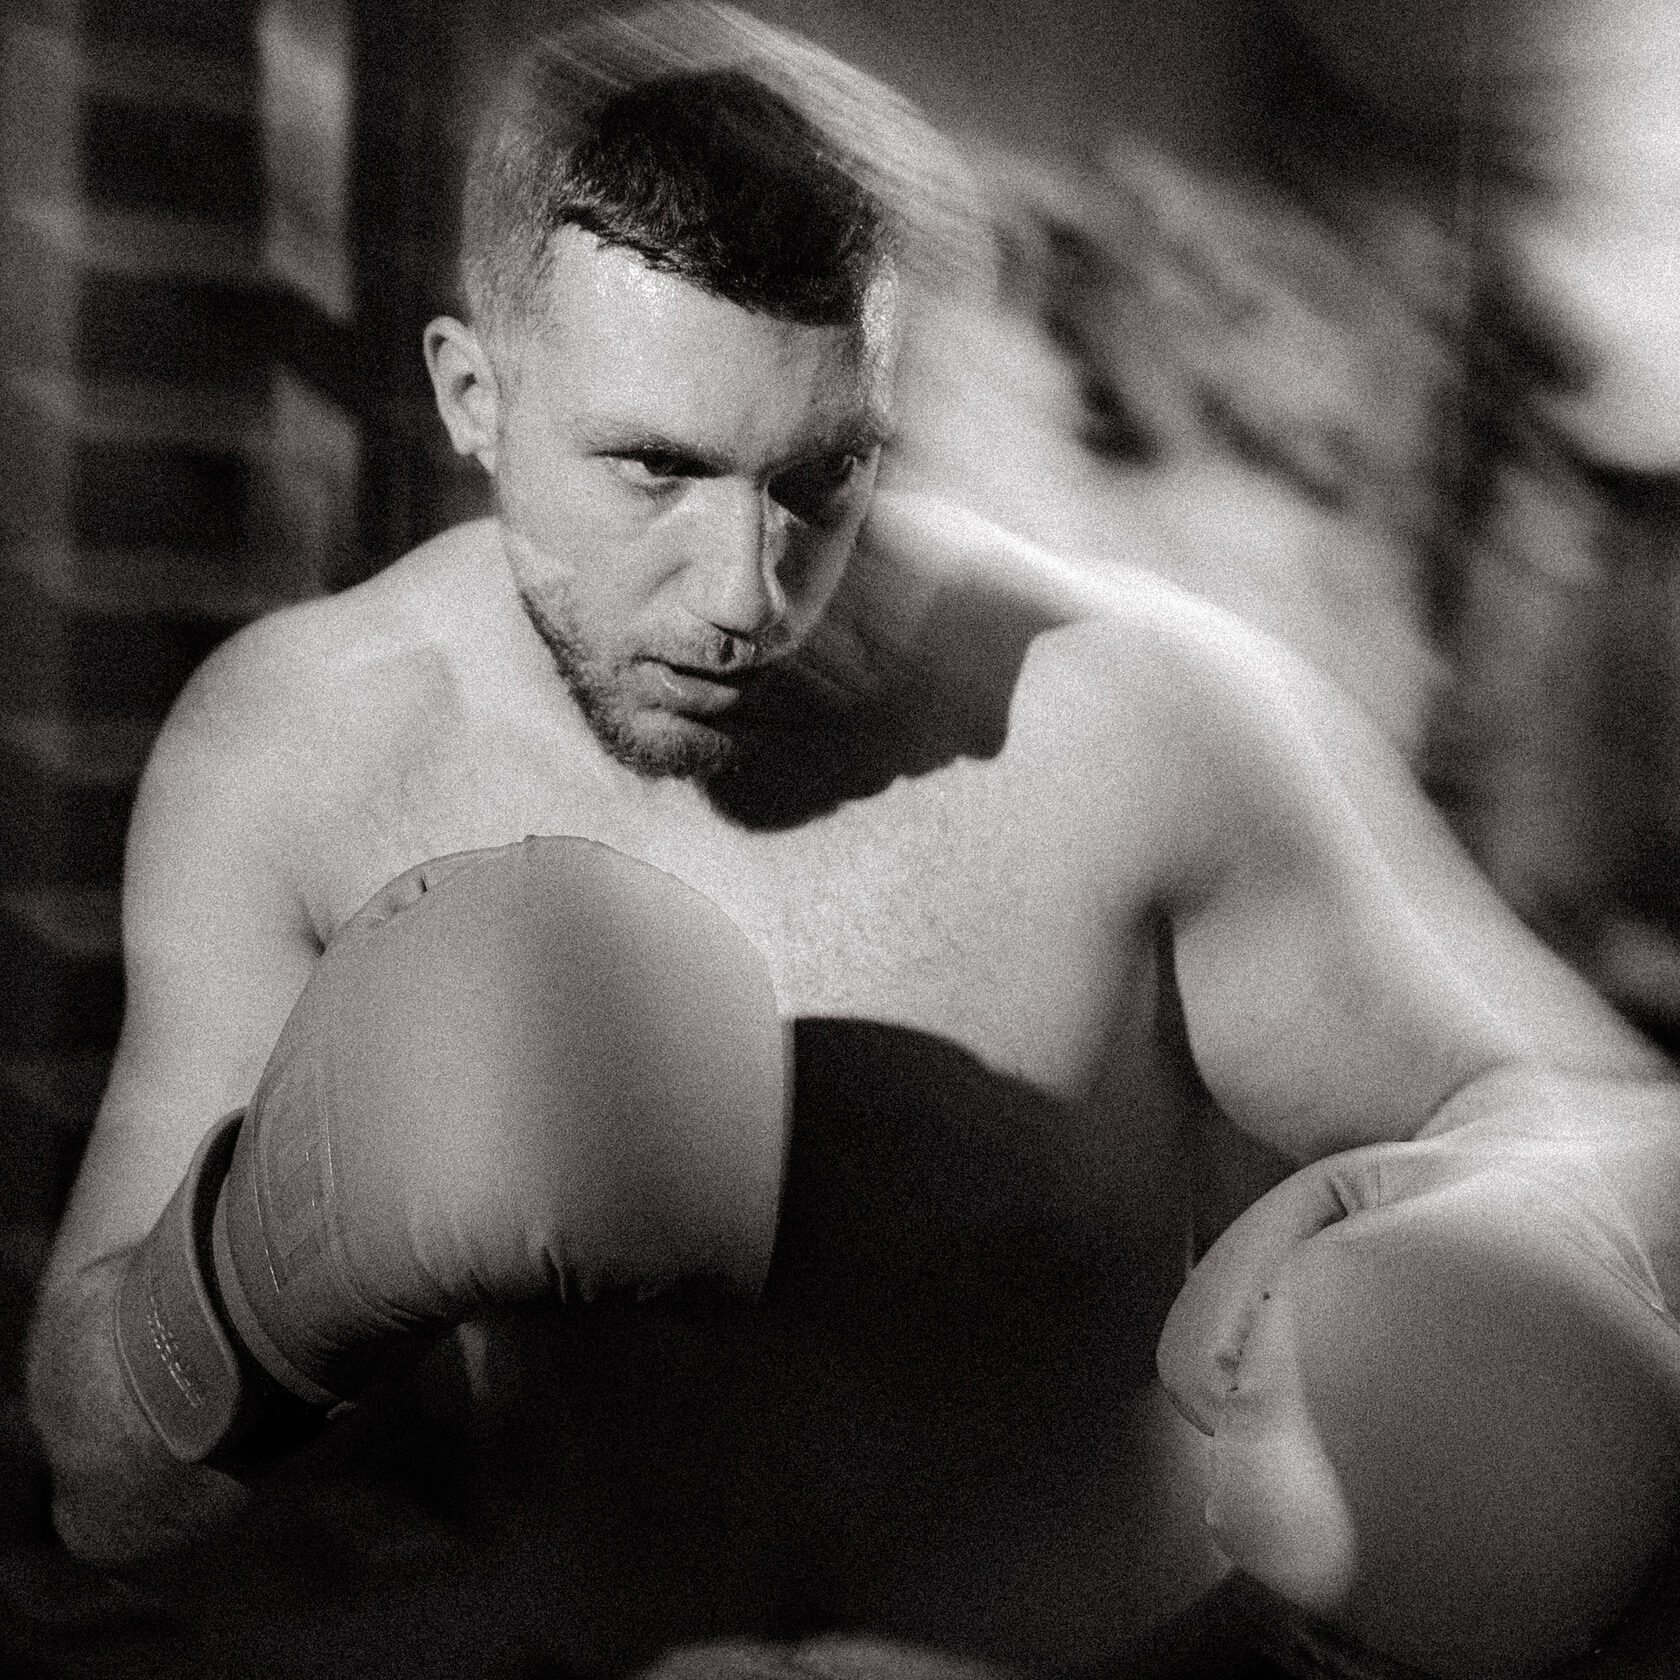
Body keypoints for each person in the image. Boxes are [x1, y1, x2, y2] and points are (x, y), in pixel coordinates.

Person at [25, 6, 1680, 1678]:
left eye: (822, 478)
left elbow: (1612, 1123)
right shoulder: (305, 754)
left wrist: (1449, 1232)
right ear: (474, 396)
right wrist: (261, 1275)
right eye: (656, 471)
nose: (745, 593)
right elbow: (103, 1495)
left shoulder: (1136, 723)